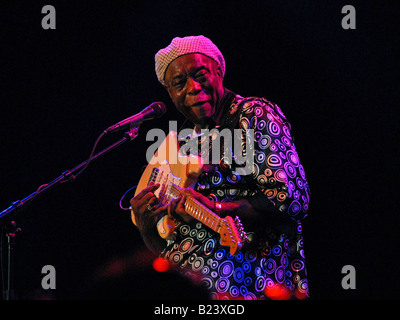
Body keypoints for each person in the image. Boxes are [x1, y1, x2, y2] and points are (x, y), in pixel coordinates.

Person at [130, 35, 310, 300]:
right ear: (170, 93)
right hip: (187, 289)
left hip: (248, 280)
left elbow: (290, 200)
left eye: (200, 74)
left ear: (218, 71)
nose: (193, 87)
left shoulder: (251, 115)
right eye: (179, 83)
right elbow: (169, 246)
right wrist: (147, 227)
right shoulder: (179, 145)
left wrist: (216, 207)